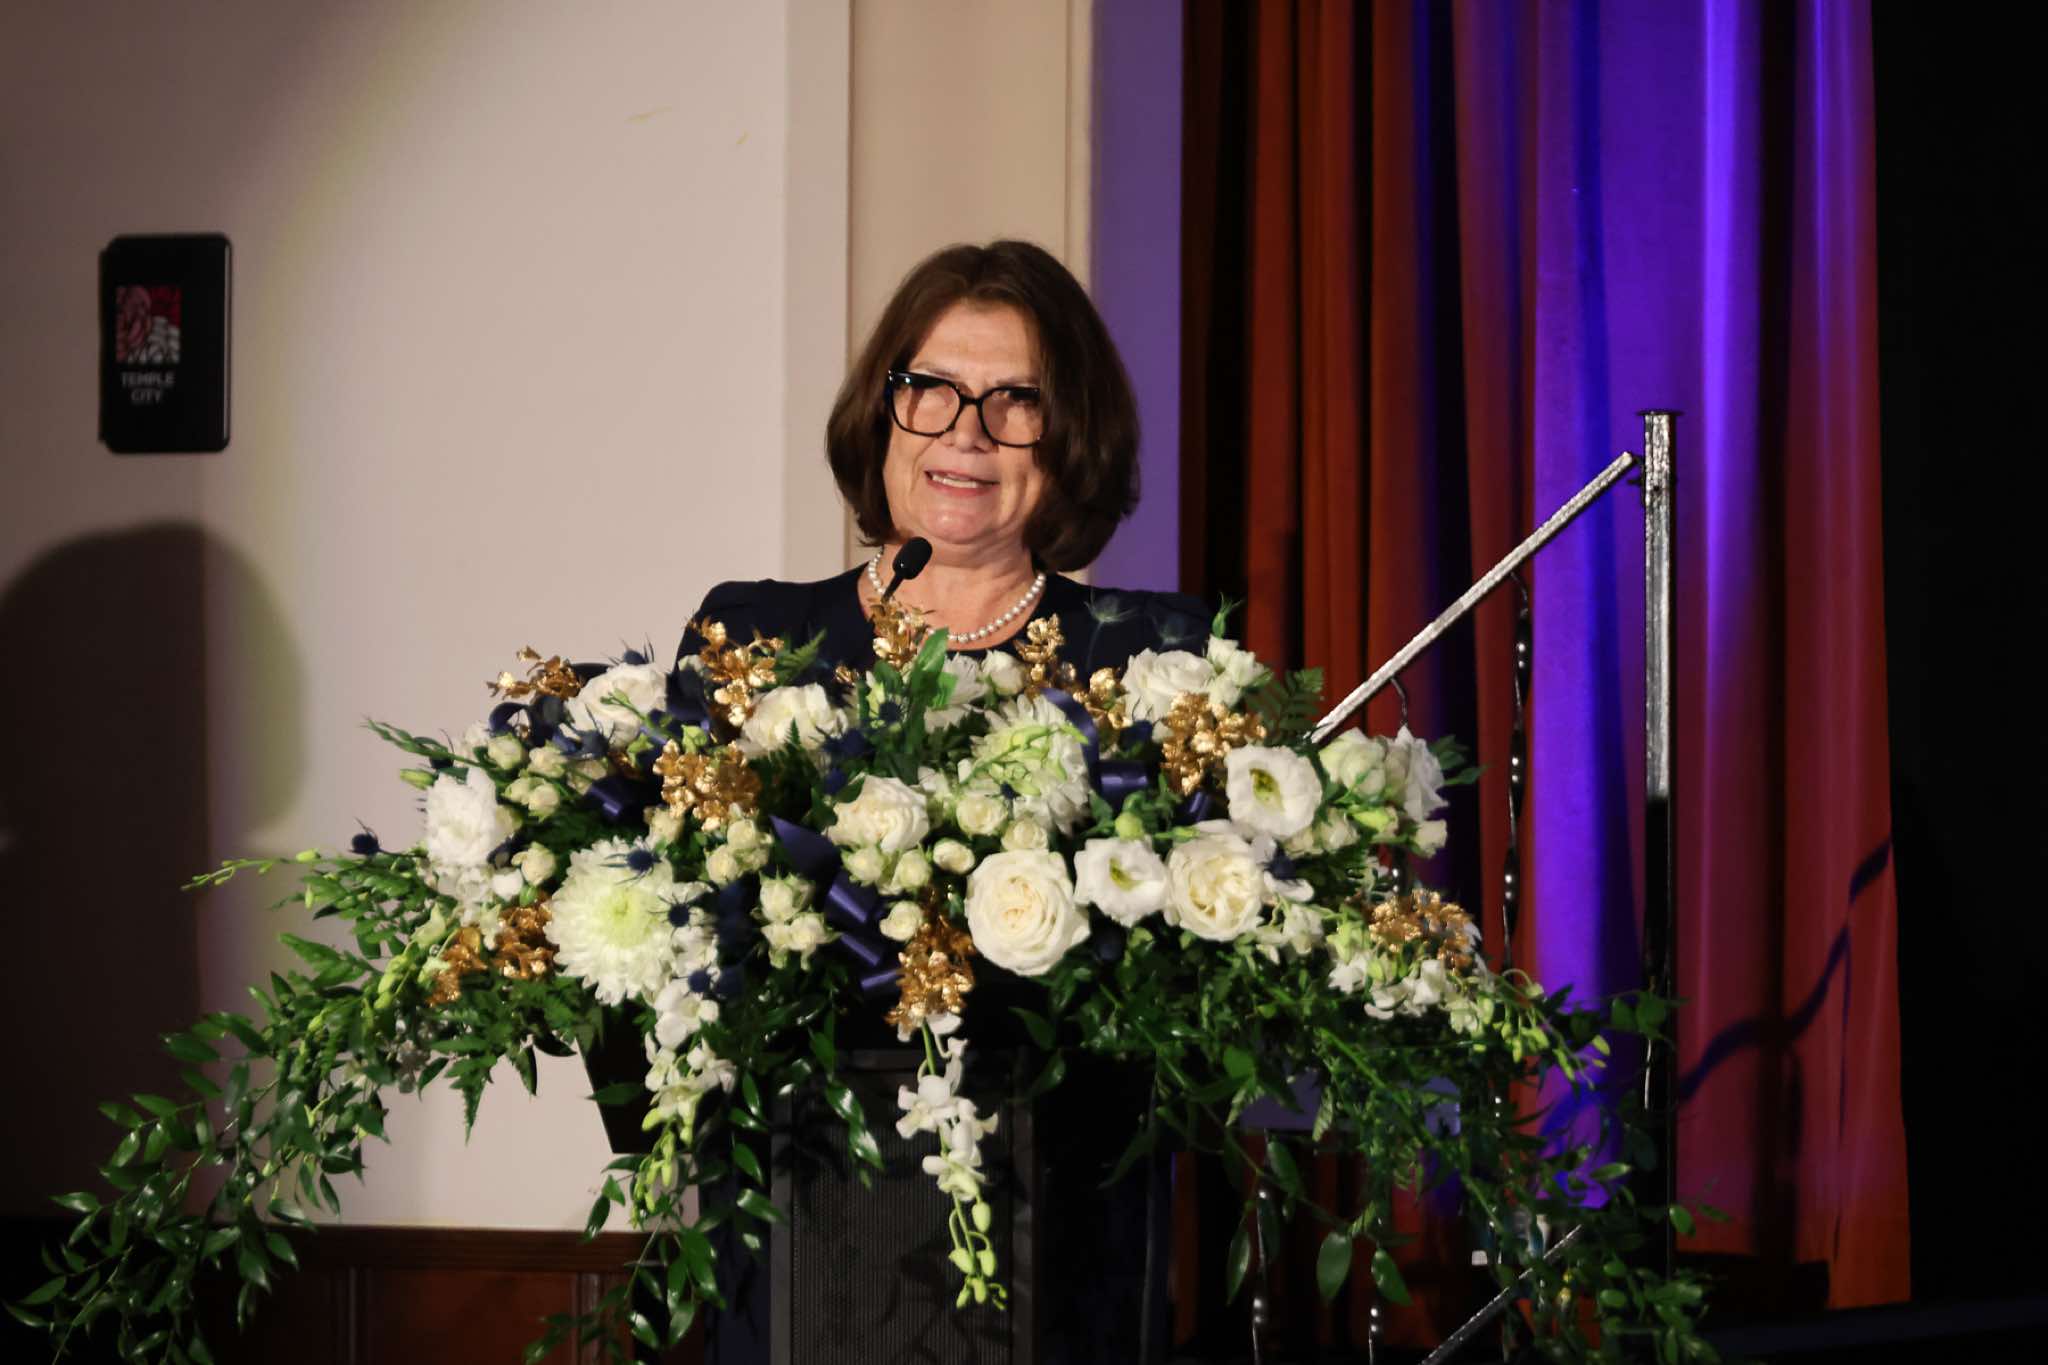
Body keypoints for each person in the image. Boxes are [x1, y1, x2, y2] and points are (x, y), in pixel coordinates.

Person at [679, 240, 1207, 1365]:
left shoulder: (1149, 660)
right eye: (931, 389)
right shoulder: (752, 639)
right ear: (883, 412)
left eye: (1017, 400)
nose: (966, 432)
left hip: (1058, 1253)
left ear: (1070, 437)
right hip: (795, 1227)